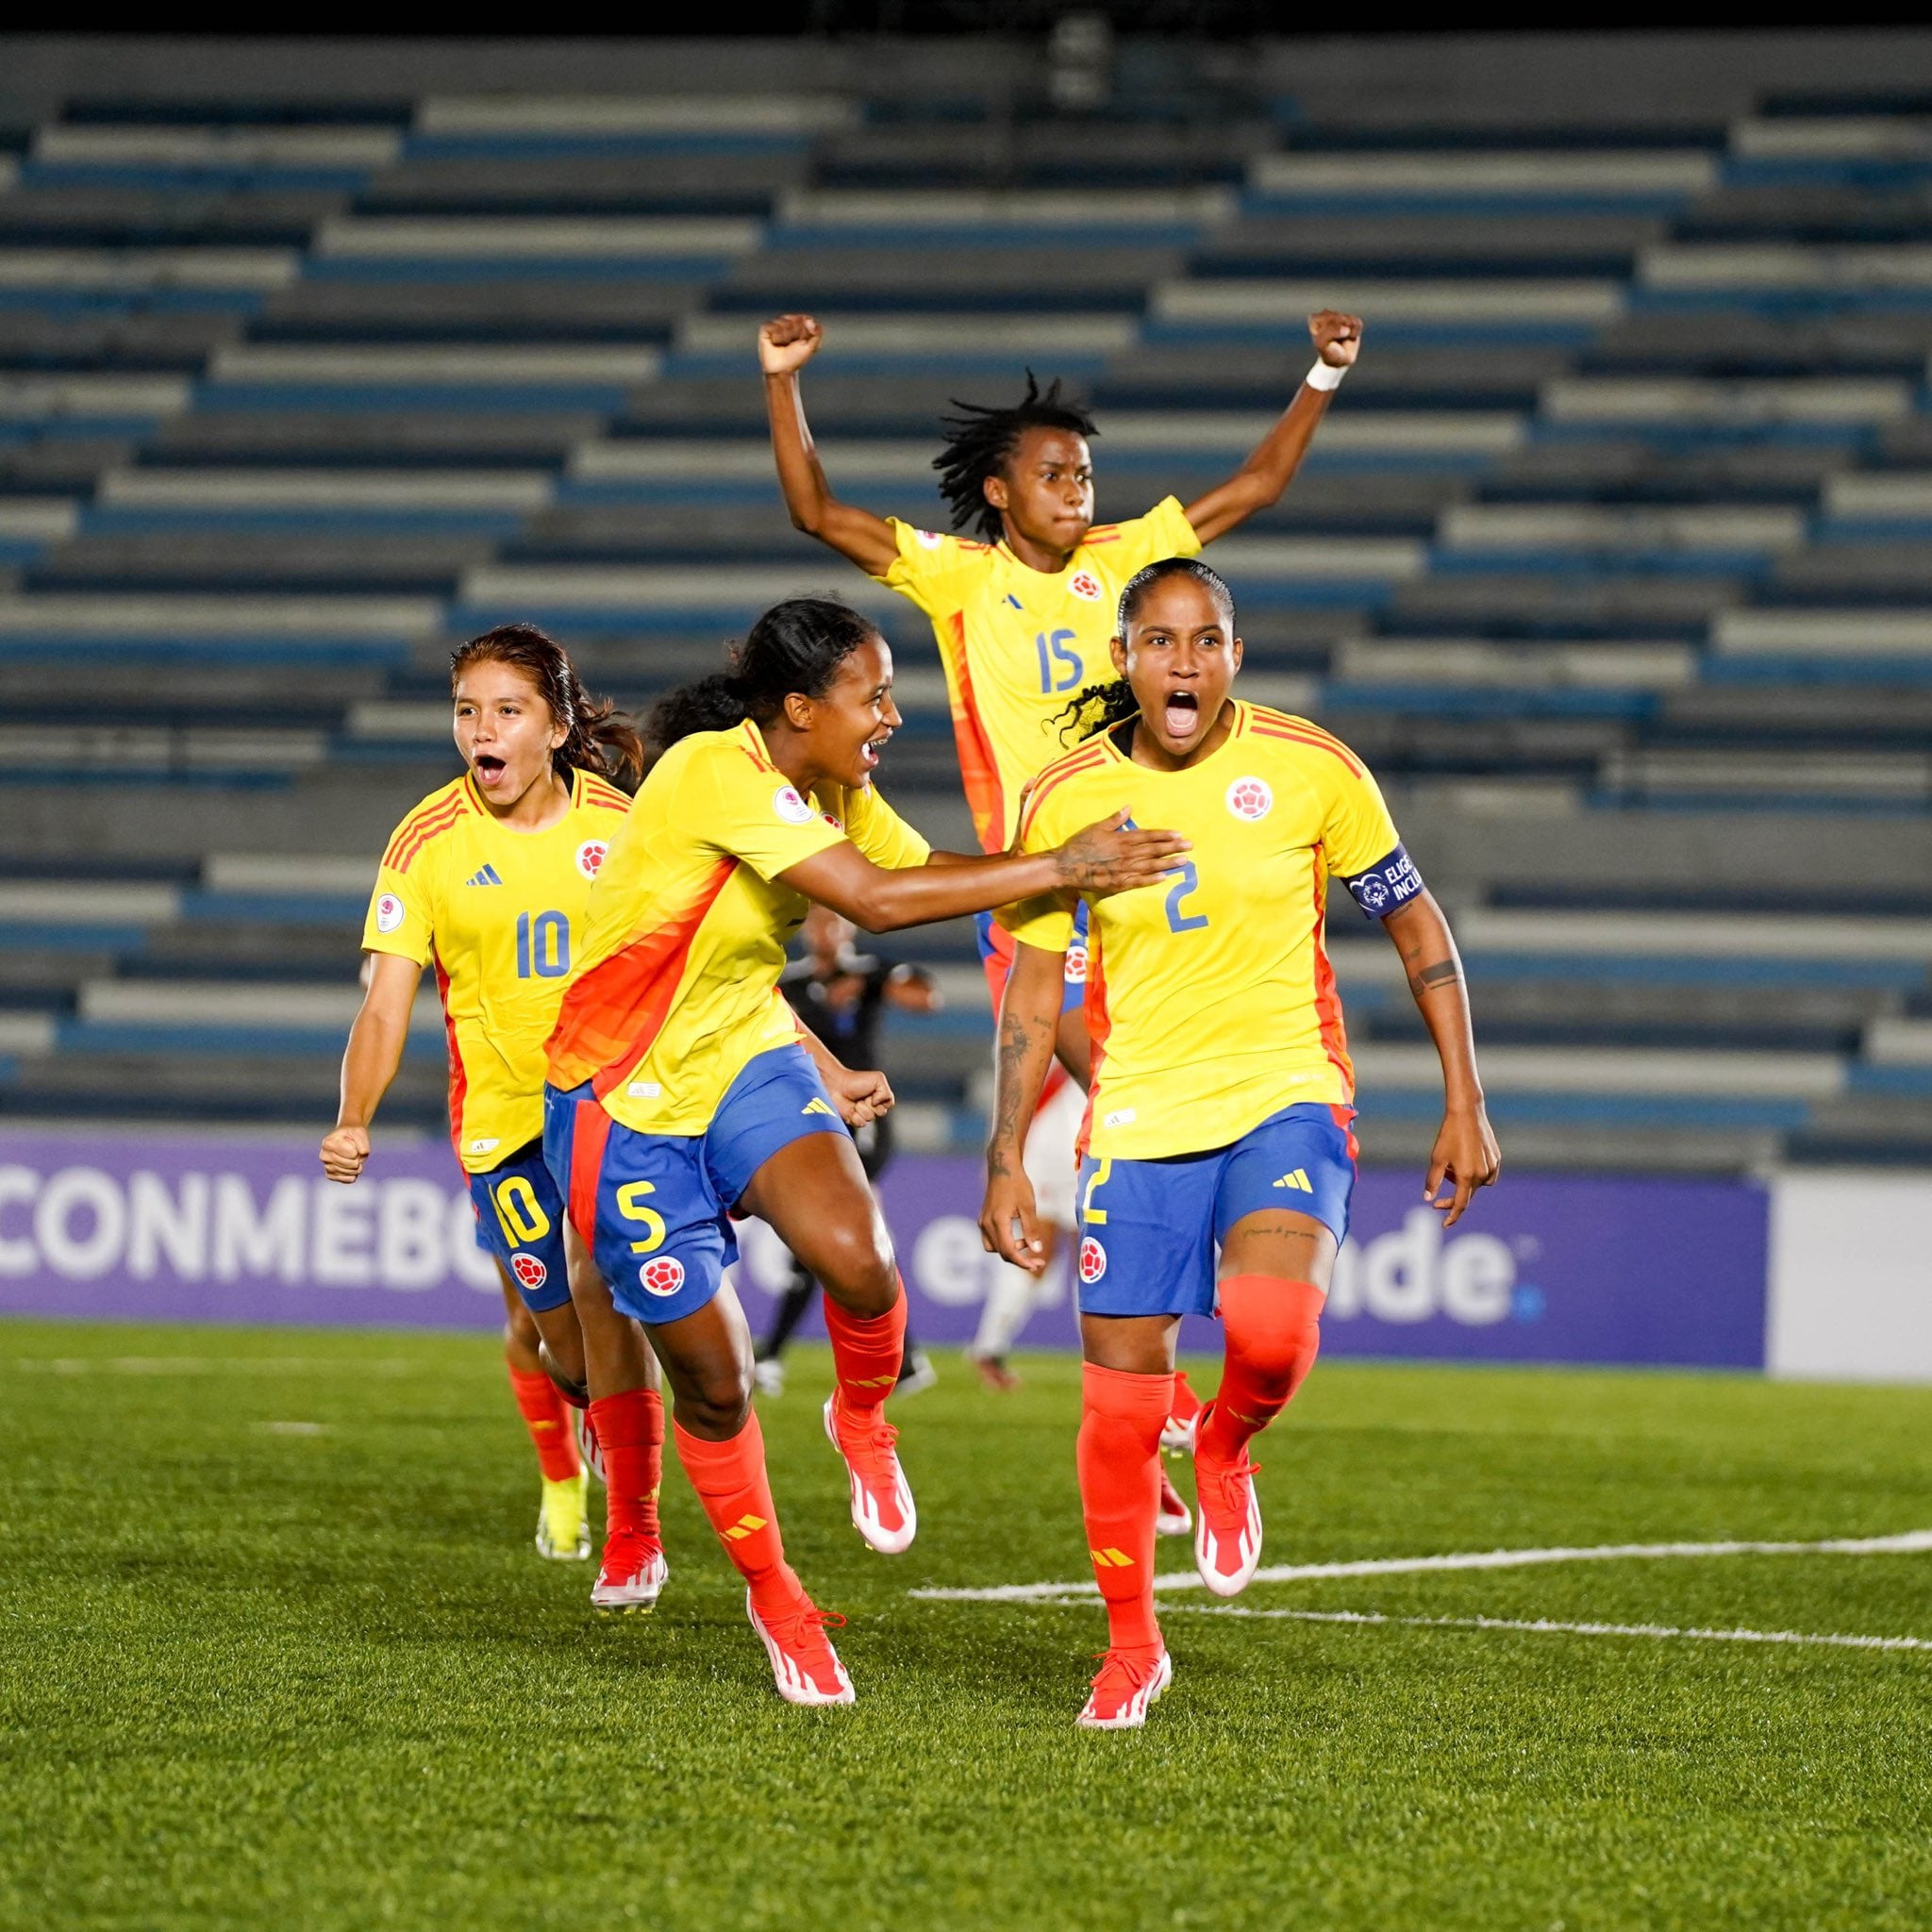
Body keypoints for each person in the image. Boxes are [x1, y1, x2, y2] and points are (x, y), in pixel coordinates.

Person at [541, 595, 1187, 1707]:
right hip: (619, 1097)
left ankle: (862, 1416)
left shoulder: (831, 783)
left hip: (745, 1054)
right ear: (797, 708)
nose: (889, 713)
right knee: (711, 1378)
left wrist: (1046, 865)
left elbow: (921, 865)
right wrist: (1059, 867)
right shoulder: (711, 771)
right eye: (870, 695)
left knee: (860, 1258)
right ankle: (777, 1598)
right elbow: (879, 901)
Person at [761, 306, 1360, 1449]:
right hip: (1041, 887)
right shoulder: (957, 578)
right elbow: (813, 511)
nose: (1076, 489)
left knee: (1164, 1096)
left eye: (1083, 471)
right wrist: (781, 382)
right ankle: (1162, 1381)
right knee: (1124, 1090)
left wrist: (1322, 373)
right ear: (999, 491)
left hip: (1147, 882)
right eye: (1051, 473)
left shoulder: (1128, 558)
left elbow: (1254, 488)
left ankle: (1187, 1347)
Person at [979, 558, 1499, 1729]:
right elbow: (1027, 991)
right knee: (1114, 1412)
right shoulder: (1067, 800)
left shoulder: (1313, 769)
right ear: (1123, 657)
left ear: (1233, 654)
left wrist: (1463, 1094)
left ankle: (1223, 1443)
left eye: (1204, 639)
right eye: (1157, 641)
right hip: (1141, 1115)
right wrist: (1006, 1151)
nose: (1182, 662)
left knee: (1268, 1335)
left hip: (1285, 1091)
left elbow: (1411, 918)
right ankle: (1129, 1646)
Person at [321, 624, 669, 1593]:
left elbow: (679, 955)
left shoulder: (620, 820)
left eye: (507, 709)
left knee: (605, 1295)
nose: (483, 729)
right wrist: (355, 1113)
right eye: (467, 710)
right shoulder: (425, 839)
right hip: (502, 1123)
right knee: (555, 1338)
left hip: (606, 1101)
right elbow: (386, 1000)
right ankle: (588, 1432)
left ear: (554, 726)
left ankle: (633, 1532)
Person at [752, 904, 941, 1399]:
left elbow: (925, 998)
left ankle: (770, 1356)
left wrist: (881, 985)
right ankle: (905, 1361)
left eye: (834, 922)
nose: (825, 932)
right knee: (854, 1243)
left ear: (849, 928)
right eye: (816, 922)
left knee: (823, 1236)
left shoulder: (872, 973)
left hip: (863, 1120)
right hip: (808, 1114)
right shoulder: (785, 983)